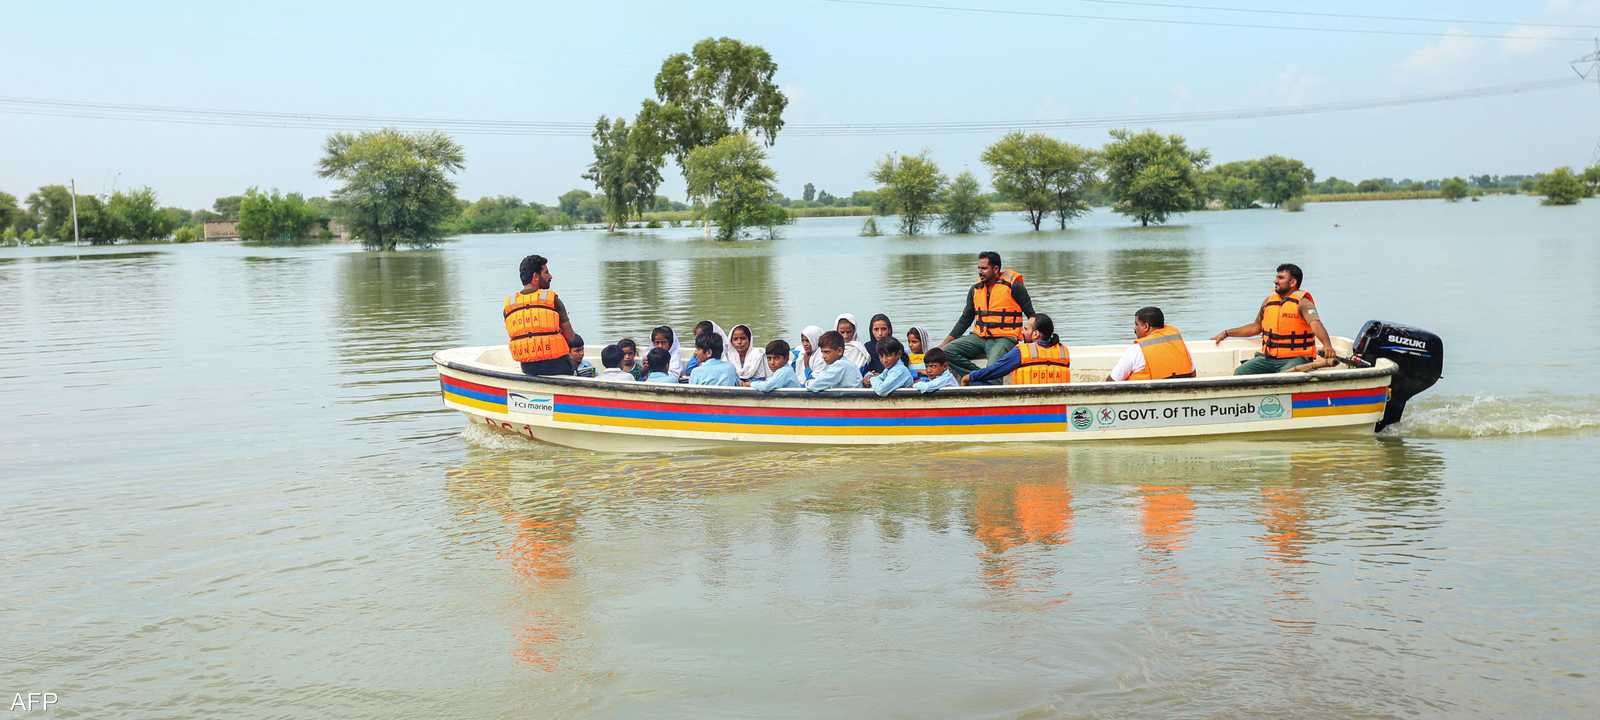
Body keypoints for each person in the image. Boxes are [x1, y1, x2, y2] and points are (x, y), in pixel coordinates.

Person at [1211, 263, 1335, 375]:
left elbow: (1316, 325)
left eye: (1281, 278)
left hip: (1296, 358)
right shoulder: (1268, 301)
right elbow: (1256, 327)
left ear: (1292, 282)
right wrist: (1227, 333)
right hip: (1268, 358)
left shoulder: (1303, 303)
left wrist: (1327, 346)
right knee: (1240, 373)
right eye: (1276, 277)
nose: (1275, 281)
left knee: (1285, 376)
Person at [938, 251, 1036, 378]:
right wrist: (942, 344)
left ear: (996, 269)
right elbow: (965, 320)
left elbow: (1032, 315)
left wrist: (1034, 339)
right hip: (979, 337)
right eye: (979, 268)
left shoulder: (1014, 287)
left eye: (984, 268)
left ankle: (984, 378)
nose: (980, 272)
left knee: (993, 367)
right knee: (946, 352)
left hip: (1005, 338)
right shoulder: (975, 289)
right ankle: (979, 376)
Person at [505, 254, 580, 376]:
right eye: (546, 272)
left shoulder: (509, 305)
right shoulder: (552, 300)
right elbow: (570, 337)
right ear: (535, 276)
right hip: (558, 367)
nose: (550, 276)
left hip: (528, 369)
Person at [962, 313, 1069, 386]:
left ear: (1035, 334)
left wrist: (969, 377)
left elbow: (994, 370)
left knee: (973, 383)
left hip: (1026, 404)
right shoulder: (1063, 351)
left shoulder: (1022, 351)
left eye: (1026, 329)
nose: (1022, 332)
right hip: (1058, 406)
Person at [1108, 306, 1197, 382]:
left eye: (1136, 324)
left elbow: (1112, 381)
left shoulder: (1136, 349)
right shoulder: (1177, 342)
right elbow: (1193, 373)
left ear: (1146, 326)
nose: (1134, 329)